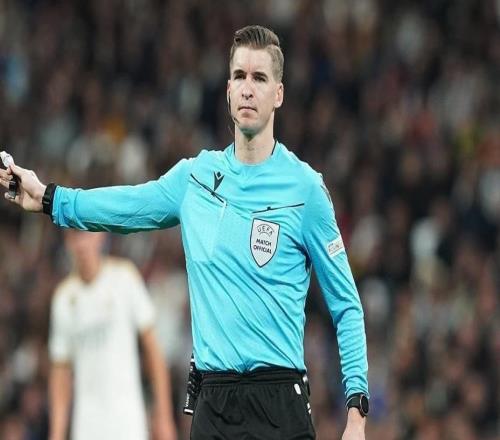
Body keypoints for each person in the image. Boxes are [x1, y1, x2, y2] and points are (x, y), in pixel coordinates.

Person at [1, 25, 369, 439]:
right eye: (239, 76)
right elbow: (126, 206)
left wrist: (356, 412)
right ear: (228, 90)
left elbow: (346, 305)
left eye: (260, 78)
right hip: (213, 405)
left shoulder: (305, 189)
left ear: (278, 94)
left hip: (280, 402)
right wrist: (49, 198)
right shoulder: (195, 179)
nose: (248, 89)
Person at [48, 230, 177, 440]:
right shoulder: (63, 298)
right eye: (74, 236)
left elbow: (153, 350)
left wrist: (163, 414)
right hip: (86, 426)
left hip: (127, 421)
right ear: (67, 242)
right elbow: (61, 374)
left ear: (100, 235)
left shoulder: (124, 278)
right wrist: (56, 433)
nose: (81, 244)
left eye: (86, 234)